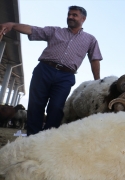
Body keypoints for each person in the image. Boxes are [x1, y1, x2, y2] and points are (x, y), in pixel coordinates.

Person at [0, 6, 103, 136]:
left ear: (83, 19)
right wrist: (13, 25)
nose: (70, 17)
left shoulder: (90, 39)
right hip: (44, 70)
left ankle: (47, 138)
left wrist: (97, 81)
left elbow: (94, 59)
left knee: (56, 108)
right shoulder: (55, 31)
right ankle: (32, 138)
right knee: (35, 105)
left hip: (66, 76)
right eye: (69, 14)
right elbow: (32, 29)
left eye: (74, 15)